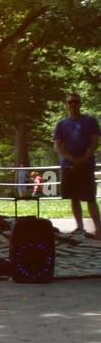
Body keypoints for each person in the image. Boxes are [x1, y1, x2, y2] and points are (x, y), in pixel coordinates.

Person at [53, 94, 101, 237]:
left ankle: (98, 230)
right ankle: (79, 227)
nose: (73, 104)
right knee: (73, 197)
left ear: (80, 103)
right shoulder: (61, 125)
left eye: (76, 101)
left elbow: (95, 142)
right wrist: (72, 159)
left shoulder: (91, 121)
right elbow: (57, 146)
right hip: (68, 166)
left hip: (86, 165)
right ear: (66, 105)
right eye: (70, 102)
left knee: (90, 197)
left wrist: (84, 158)